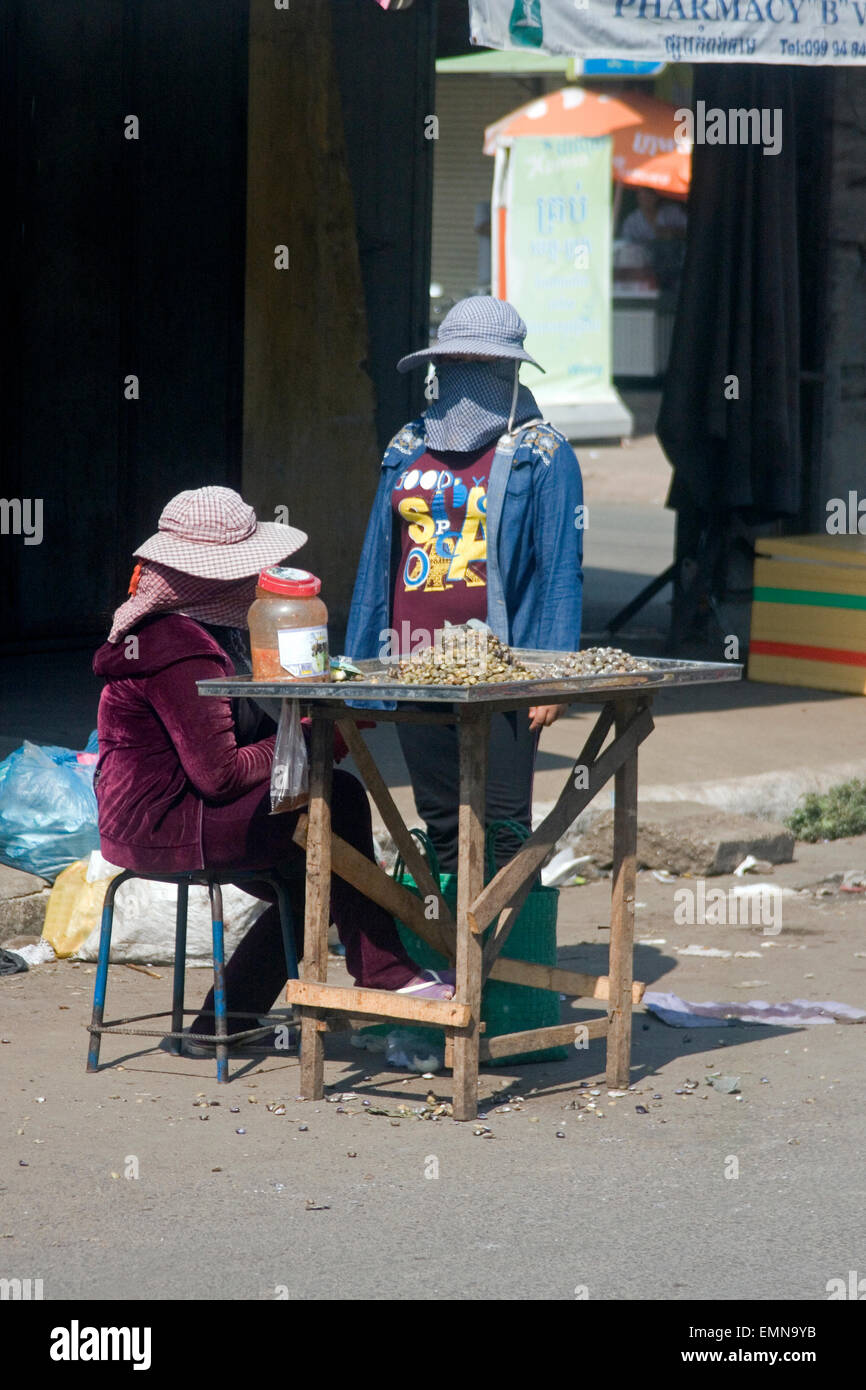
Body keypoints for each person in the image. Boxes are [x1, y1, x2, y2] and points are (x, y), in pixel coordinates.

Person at [92, 487, 456, 1058]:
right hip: (168, 823)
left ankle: (221, 1026)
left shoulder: (210, 633)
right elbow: (220, 774)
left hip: (181, 812)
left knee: (310, 874)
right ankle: (385, 968)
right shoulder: (179, 648)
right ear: (215, 579)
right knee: (336, 800)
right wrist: (310, 739)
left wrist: (310, 716)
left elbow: (245, 740)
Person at [346, 297, 583, 874]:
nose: (463, 380)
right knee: (443, 823)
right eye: (451, 365)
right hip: (412, 661)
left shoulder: (544, 455)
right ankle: (455, 957)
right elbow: (379, 558)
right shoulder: (406, 447)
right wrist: (358, 668)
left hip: (504, 671)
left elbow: (560, 568)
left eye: (480, 367)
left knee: (503, 826)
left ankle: (502, 955)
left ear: (510, 372)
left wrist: (552, 674)